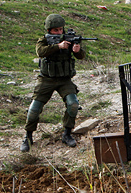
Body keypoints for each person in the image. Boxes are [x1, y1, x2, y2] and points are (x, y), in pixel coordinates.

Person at [20, 14, 86, 152]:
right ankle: (28, 136)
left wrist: (77, 51)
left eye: (60, 29)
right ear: (49, 30)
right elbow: (40, 52)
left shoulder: (69, 40)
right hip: (46, 79)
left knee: (73, 104)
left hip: (64, 80)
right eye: (55, 30)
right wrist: (58, 46)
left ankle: (67, 133)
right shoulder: (43, 40)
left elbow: (81, 56)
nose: (59, 32)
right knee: (34, 109)